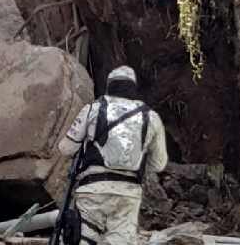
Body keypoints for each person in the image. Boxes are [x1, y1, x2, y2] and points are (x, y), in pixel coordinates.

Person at [58, 66, 168, 245]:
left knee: (83, 240)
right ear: (134, 88)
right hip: (128, 195)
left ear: (109, 86)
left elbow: (66, 148)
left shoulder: (92, 109)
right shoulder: (151, 117)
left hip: (92, 192)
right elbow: (159, 164)